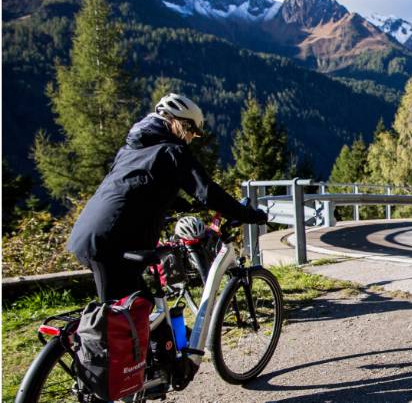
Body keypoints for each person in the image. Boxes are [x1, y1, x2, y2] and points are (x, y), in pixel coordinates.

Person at [67, 93, 268, 302]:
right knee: (115, 320)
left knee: (141, 306)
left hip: (97, 234)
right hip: (108, 243)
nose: (191, 139)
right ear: (181, 124)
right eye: (192, 132)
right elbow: (208, 192)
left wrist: (180, 204)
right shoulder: (172, 151)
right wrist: (248, 215)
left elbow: (139, 187)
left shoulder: (132, 149)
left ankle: (169, 335)